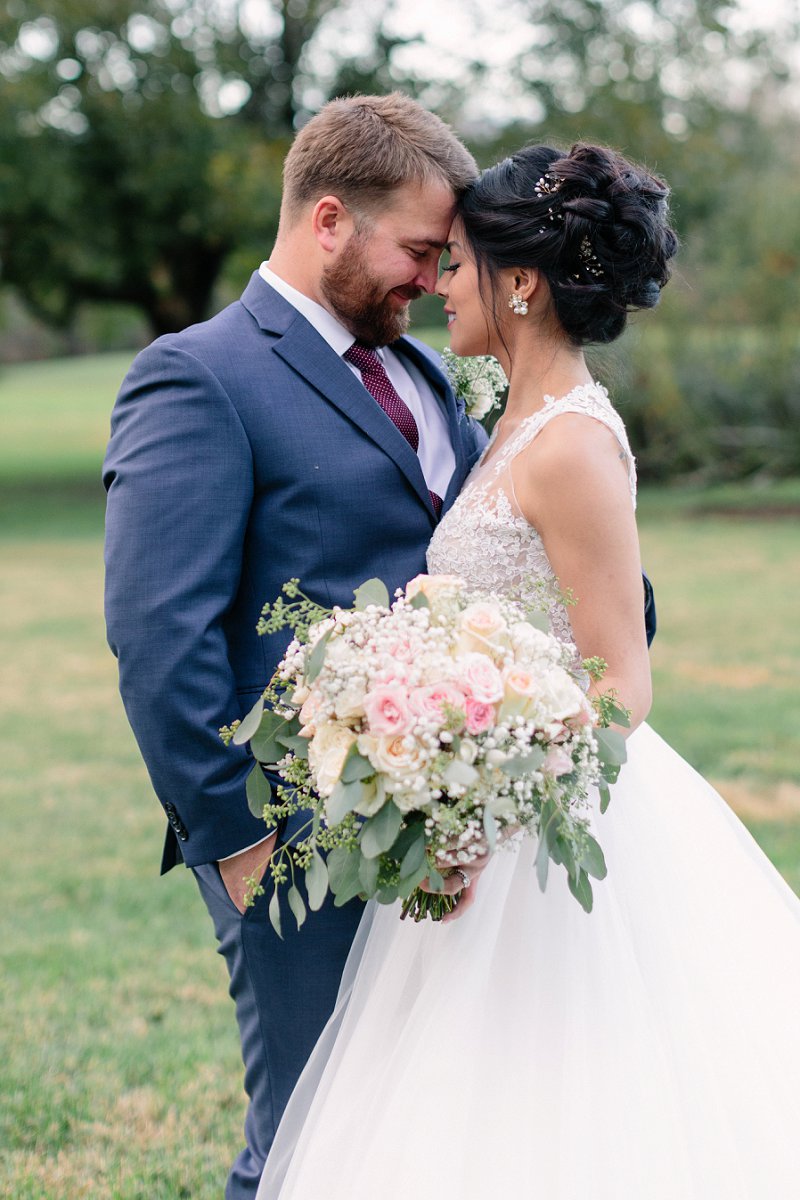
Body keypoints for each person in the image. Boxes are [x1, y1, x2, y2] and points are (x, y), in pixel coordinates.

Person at [254, 144, 800, 1199]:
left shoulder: (570, 445)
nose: (435, 284)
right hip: (484, 815)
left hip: (540, 831)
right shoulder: (503, 420)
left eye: (453, 263)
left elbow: (620, 680)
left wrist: (482, 802)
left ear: (519, 281)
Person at [103, 93, 484, 1199]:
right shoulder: (198, 375)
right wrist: (237, 850)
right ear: (328, 221)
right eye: (417, 250)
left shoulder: (420, 376)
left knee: (416, 1131)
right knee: (310, 1136)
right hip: (291, 843)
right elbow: (157, 636)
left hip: (442, 821)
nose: (431, 278)